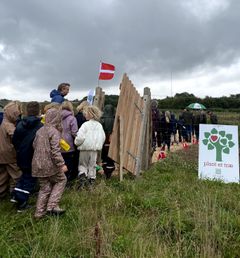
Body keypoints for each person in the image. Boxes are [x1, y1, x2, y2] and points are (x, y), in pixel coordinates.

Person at [32, 108, 68, 219]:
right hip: (50, 164)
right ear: (57, 118)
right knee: (62, 180)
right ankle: (52, 206)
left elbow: (34, 145)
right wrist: (61, 164)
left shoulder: (39, 130)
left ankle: (39, 213)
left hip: (37, 164)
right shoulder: (54, 132)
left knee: (45, 188)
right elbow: (55, 151)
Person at [11, 101, 43, 212]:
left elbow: (14, 140)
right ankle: (22, 203)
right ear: (39, 111)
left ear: (26, 111)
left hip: (21, 155)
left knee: (24, 175)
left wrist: (19, 149)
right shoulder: (40, 126)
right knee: (30, 179)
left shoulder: (20, 124)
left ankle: (16, 195)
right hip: (33, 157)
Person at [74, 105, 105, 188]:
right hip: (94, 149)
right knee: (92, 165)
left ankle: (82, 178)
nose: (85, 115)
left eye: (86, 113)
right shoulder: (99, 125)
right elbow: (103, 137)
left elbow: (80, 137)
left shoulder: (85, 125)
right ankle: (91, 181)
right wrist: (98, 145)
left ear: (90, 114)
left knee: (83, 165)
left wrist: (76, 142)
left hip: (84, 149)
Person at [0, 101, 22, 199]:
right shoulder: (9, 125)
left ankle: (1, 194)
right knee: (17, 175)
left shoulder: (3, 123)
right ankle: (15, 195)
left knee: (3, 176)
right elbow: (15, 138)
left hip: (2, 152)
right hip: (10, 154)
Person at [61, 101, 78, 182]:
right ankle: (66, 180)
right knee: (68, 163)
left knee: (60, 162)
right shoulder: (72, 118)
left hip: (58, 142)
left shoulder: (57, 117)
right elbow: (74, 132)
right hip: (68, 144)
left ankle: (59, 180)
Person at [101, 104, 115, 179]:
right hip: (112, 140)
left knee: (104, 156)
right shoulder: (115, 119)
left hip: (104, 139)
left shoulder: (102, 119)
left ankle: (105, 172)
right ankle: (109, 174)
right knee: (111, 157)